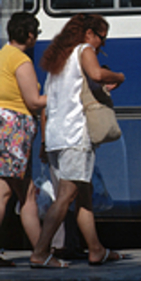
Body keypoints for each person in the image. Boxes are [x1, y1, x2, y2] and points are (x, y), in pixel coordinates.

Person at [30, 14, 126, 269]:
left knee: (84, 194)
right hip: (75, 135)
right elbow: (97, 73)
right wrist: (119, 76)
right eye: (101, 38)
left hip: (55, 136)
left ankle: (96, 249)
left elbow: (48, 104)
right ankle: (40, 252)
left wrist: (42, 142)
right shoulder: (84, 50)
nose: (101, 45)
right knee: (66, 196)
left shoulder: (59, 59)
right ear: (88, 34)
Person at [0, 13, 45, 267]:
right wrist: (62, 94)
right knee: (14, 193)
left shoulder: (2, 54)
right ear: (28, 35)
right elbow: (34, 101)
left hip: (2, 125)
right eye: (36, 33)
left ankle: (41, 251)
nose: (37, 38)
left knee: (19, 192)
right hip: (14, 128)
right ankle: (41, 254)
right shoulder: (21, 61)